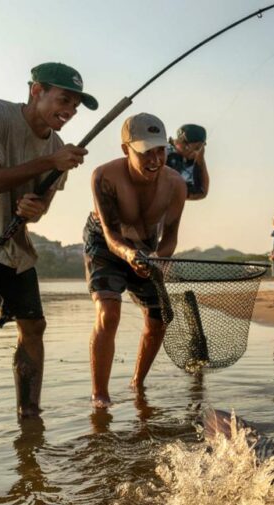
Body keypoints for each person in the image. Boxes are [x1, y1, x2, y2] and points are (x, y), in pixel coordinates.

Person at [0, 62, 96, 426]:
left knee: (34, 326)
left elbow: (40, 209)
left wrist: (34, 209)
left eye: (75, 106)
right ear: (36, 91)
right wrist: (49, 161)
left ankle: (29, 414)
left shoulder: (57, 149)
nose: (70, 111)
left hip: (13, 243)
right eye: (64, 99)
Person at [84, 113, 187, 408]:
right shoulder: (104, 176)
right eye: (145, 152)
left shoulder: (176, 184)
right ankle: (100, 397)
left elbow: (169, 238)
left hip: (146, 249)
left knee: (158, 321)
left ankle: (137, 385)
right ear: (125, 149)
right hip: (106, 244)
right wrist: (129, 255)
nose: (154, 159)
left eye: (160, 151)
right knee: (109, 312)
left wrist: (157, 259)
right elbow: (111, 234)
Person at [165, 124, 209, 200]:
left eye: (198, 148)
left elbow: (201, 192)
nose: (195, 152)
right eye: (195, 147)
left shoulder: (191, 162)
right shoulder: (163, 151)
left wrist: (200, 160)